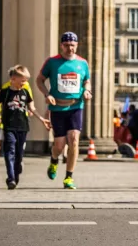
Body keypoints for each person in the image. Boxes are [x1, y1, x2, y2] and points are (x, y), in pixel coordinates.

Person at [36, 31, 92, 190]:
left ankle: (69, 177)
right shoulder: (52, 62)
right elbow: (39, 80)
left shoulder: (83, 63)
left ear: (77, 45)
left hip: (75, 105)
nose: (70, 49)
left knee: (74, 139)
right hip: (57, 107)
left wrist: (87, 90)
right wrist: (47, 94)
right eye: (66, 45)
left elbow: (87, 81)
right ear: (61, 45)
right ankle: (54, 160)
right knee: (59, 145)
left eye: (73, 45)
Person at [0, 65, 50, 189]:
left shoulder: (25, 92)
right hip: (9, 126)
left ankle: (16, 171)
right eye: (23, 81)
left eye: (26, 81)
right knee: (10, 152)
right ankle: (11, 178)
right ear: (13, 79)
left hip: (23, 127)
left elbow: (32, 108)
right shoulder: (5, 92)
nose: (25, 83)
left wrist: (42, 119)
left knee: (19, 155)